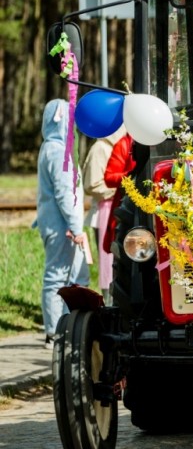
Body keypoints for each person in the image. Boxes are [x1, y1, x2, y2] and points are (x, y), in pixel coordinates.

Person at [36, 99, 89, 347]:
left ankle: (66, 329)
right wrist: (76, 228)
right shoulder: (58, 152)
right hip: (62, 228)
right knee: (58, 278)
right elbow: (64, 193)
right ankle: (56, 331)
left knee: (71, 277)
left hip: (56, 224)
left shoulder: (49, 148)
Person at [81, 126, 124, 302]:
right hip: (103, 211)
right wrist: (119, 189)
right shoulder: (100, 148)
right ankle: (107, 300)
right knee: (107, 260)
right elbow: (92, 184)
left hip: (116, 209)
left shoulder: (118, 147)